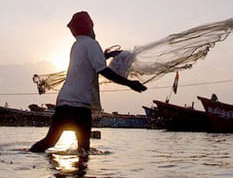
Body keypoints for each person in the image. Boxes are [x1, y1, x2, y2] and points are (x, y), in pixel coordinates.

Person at [29, 11, 147, 153]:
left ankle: (27, 156)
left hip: (64, 102)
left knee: (50, 141)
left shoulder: (77, 45)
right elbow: (103, 71)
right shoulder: (92, 44)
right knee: (83, 149)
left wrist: (107, 55)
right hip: (80, 105)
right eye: (92, 27)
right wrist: (130, 84)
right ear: (89, 27)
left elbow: (87, 63)